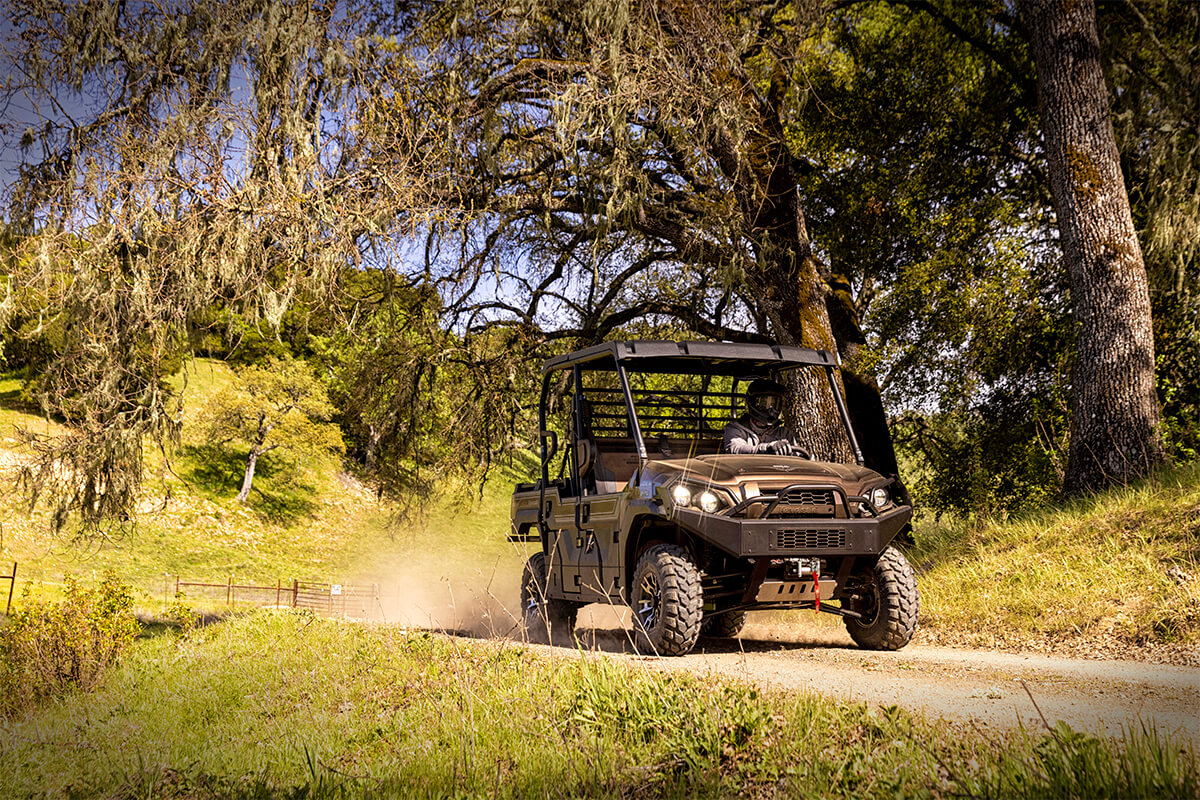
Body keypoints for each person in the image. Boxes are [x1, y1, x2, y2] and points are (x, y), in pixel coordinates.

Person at [722, 378, 804, 456]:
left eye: (774, 403)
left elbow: (798, 457)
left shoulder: (783, 433)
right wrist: (767, 448)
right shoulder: (735, 429)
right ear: (752, 402)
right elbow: (735, 449)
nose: (770, 408)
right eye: (764, 403)